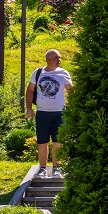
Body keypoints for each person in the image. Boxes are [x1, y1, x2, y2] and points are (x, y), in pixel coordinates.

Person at [26, 49, 73, 178]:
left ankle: (56, 168)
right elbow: (30, 90)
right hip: (42, 113)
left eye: (60, 57)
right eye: (56, 58)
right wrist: (29, 108)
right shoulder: (38, 73)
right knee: (42, 141)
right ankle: (42, 169)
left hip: (59, 113)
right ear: (48, 59)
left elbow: (70, 91)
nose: (59, 60)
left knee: (58, 141)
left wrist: (73, 107)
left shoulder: (64, 73)